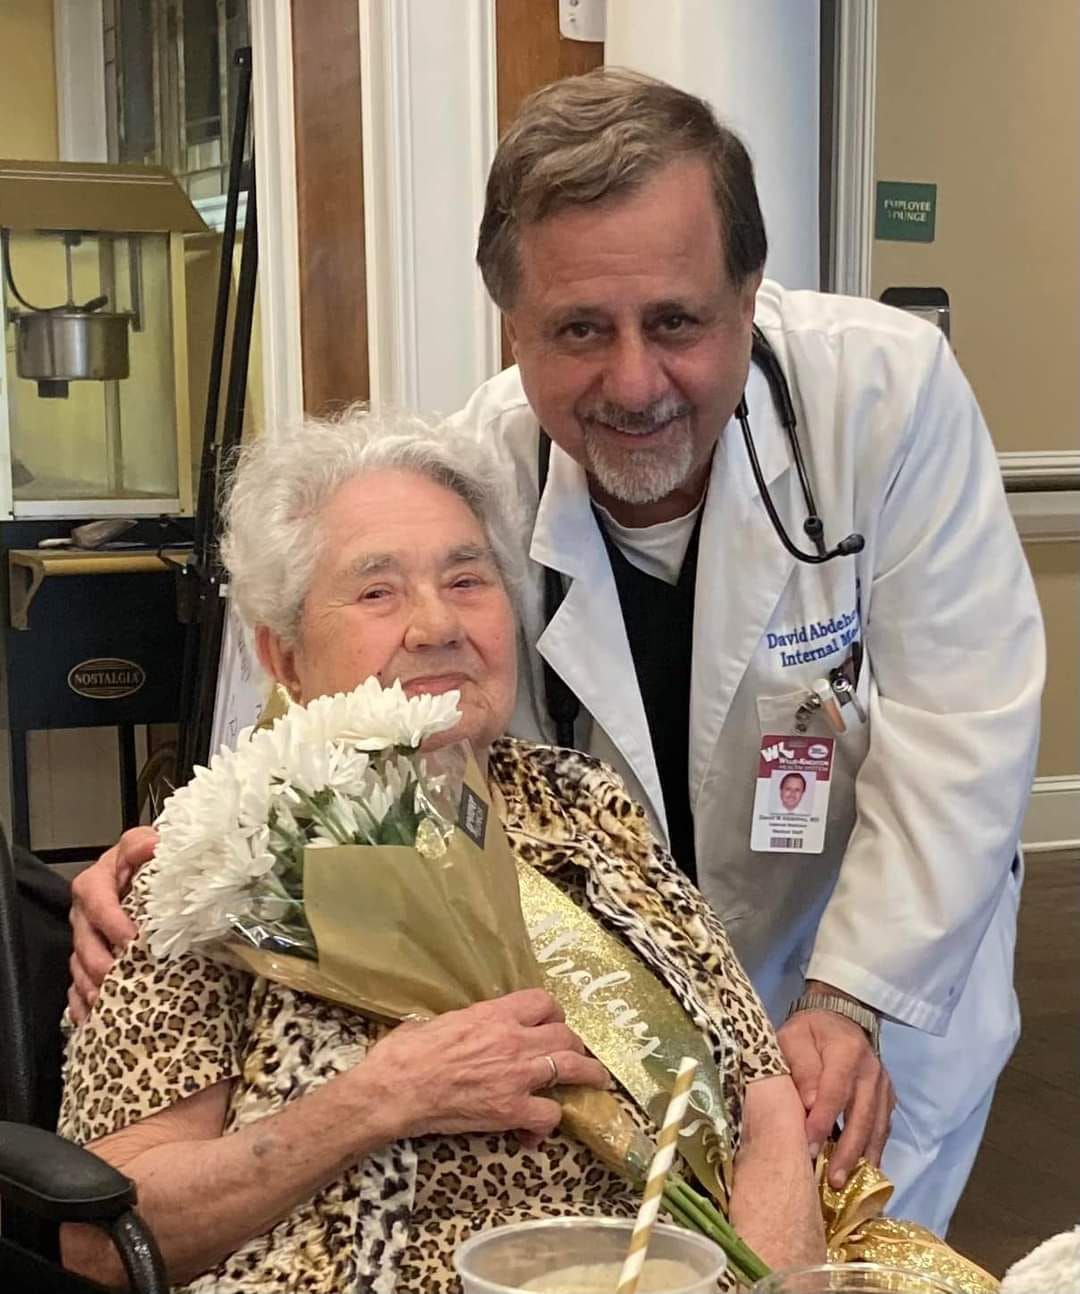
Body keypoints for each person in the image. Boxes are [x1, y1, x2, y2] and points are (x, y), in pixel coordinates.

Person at [70, 69, 1044, 1232]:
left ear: (748, 296)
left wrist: (849, 998)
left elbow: (960, 734)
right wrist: (178, 855)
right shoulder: (480, 478)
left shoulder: (886, 398)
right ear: (514, 325)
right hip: (621, 1036)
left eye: (676, 322)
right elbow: (335, 721)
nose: (633, 382)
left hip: (870, 978)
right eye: (580, 329)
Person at [58, 412, 825, 1293]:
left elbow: (762, 1102)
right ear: (284, 655)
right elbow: (104, 1238)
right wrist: (377, 1101)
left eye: (467, 580)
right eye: (377, 593)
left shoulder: (588, 805)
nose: (437, 625)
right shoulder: (220, 860)